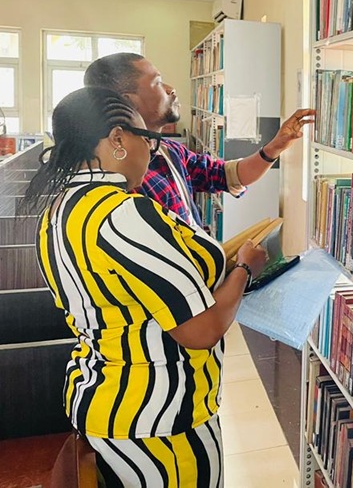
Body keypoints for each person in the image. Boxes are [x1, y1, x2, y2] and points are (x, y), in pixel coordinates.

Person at [23, 87, 267, 487]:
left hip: (107, 399)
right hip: (161, 418)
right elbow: (201, 331)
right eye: (148, 140)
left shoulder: (58, 212)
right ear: (117, 139)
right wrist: (244, 269)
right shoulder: (124, 214)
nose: (152, 153)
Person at [83, 52, 315, 227]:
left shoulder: (170, 151)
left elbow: (228, 175)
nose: (171, 89)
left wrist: (276, 146)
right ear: (127, 102)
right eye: (158, 82)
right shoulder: (117, 179)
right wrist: (243, 269)